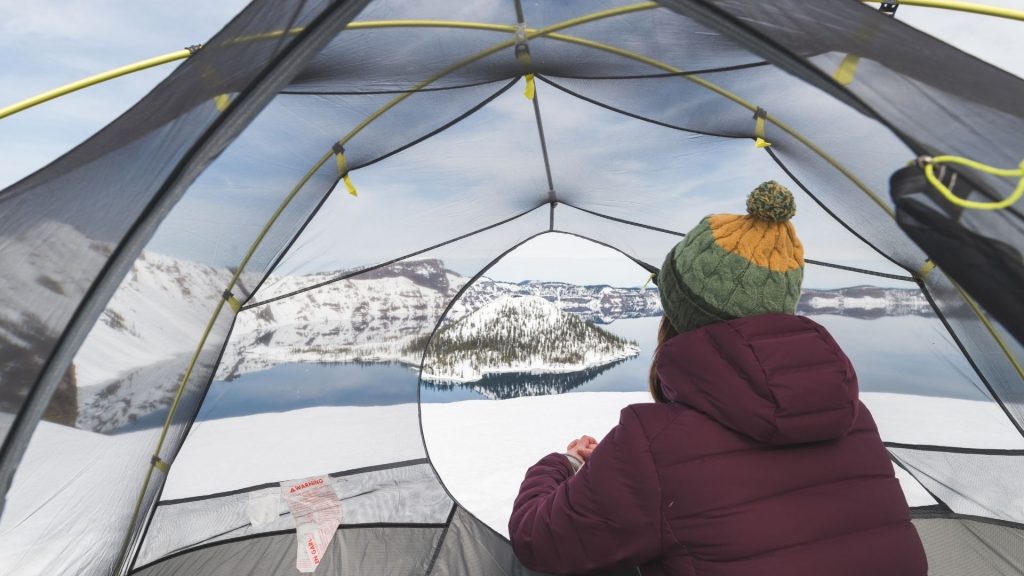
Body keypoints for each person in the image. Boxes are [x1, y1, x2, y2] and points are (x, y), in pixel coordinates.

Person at [508, 182, 928, 576]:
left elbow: (538, 539)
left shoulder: (651, 442)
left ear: (679, 313)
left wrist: (566, 464)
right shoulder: (853, 419)